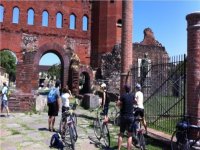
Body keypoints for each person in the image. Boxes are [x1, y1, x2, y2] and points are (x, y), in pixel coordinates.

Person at [117, 85, 135, 150]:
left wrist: (120, 104)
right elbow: (134, 102)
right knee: (130, 135)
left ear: (125, 89)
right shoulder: (132, 95)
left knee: (121, 133)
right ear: (130, 89)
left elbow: (118, 104)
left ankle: (118, 148)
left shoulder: (123, 96)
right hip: (131, 116)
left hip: (124, 116)